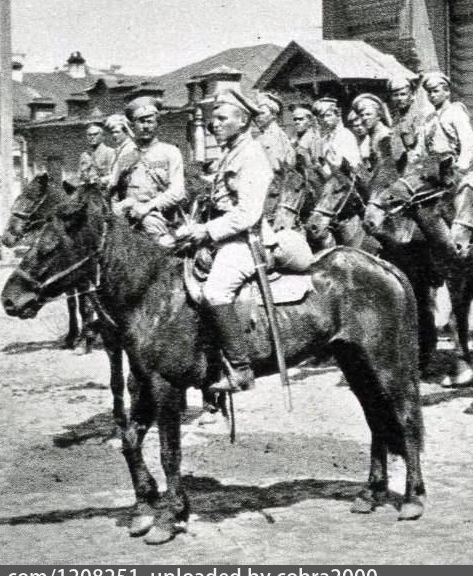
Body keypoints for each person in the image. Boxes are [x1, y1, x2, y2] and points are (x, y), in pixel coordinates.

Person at [175, 89, 277, 393]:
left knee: (215, 291)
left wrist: (206, 232)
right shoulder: (231, 152)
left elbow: (247, 213)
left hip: (247, 239)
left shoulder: (252, 154)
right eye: (212, 118)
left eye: (221, 118)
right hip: (224, 235)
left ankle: (241, 368)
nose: (213, 124)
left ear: (243, 120)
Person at [113, 96, 187, 240]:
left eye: (150, 121)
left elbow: (178, 191)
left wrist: (148, 207)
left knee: (154, 231)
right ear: (132, 125)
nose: (145, 126)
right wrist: (117, 207)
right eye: (140, 122)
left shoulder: (170, 152)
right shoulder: (125, 157)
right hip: (126, 216)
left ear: (157, 124)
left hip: (160, 217)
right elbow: (114, 191)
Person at [412, 71, 473, 181]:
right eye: (429, 92)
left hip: (454, 167)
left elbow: (468, 142)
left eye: (436, 91)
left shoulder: (456, 113)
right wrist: (416, 162)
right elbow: (421, 146)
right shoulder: (429, 119)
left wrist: (461, 166)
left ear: (447, 92)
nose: (432, 95)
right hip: (433, 169)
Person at [313, 97, 359, 174]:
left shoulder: (345, 135)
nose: (325, 120)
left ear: (337, 115)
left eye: (328, 115)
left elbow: (348, 164)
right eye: (322, 116)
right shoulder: (325, 139)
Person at [349, 93, 394, 164]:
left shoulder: (384, 135)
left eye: (368, 114)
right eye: (362, 115)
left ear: (378, 115)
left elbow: (386, 167)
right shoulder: (372, 134)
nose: (365, 118)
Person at [76, 121, 117, 189]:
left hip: (104, 192)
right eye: (89, 135)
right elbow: (79, 176)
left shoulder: (110, 152)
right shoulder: (84, 155)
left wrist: (97, 180)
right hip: (87, 192)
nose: (92, 137)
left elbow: (114, 176)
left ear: (102, 136)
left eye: (95, 134)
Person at [289, 103, 323, 173]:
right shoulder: (295, 137)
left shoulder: (313, 138)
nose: (297, 122)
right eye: (295, 119)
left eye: (301, 119)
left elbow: (318, 164)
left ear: (309, 121)